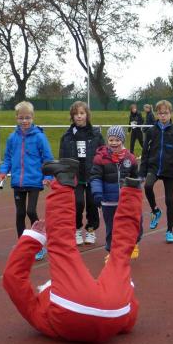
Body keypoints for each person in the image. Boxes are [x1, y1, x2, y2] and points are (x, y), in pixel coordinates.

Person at [2, 158, 140, 343]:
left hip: (113, 311)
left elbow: (130, 319)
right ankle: (64, 180)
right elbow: (12, 278)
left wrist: (124, 293)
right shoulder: (39, 313)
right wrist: (33, 238)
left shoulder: (41, 315)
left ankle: (133, 190)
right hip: (89, 307)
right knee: (62, 247)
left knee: (121, 254)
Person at [0, 101, 54, 260]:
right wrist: (4, 171)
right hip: (18, 181)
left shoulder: (39, 137)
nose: (24, 121)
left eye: (27, 118)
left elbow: (47, 158)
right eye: (21, 118)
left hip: (35, 181)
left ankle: (38, 243)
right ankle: (21, 244)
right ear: (16, 118)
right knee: (20, 213)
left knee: (31, 211)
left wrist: (48, 176)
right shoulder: (12, 138)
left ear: (33, 117)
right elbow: (8, 158)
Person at [91, 126, 143, 261]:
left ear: (123, 140)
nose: (114, 143)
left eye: (117, 140)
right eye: (111, 140)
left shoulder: (130, 158)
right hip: (109, 201)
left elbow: (136, 178)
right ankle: (112, 252)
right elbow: (95, 177)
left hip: (126, 201)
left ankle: (133, 243)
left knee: (134, 222)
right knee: (111, 228)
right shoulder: (100, 158)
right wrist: (97, 192)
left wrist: (136, 194)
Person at [139, 100, 173, 243]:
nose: (163, 116)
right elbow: (145, 152)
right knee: (148, 186)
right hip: (153, 167)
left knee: (169, 200)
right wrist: (142, 172)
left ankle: (170, 230)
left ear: (171, 114)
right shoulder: (151, 131)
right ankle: (155, 211)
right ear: (157, 114)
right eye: (160, 113)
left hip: (169, 169)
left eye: (166, 113)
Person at [59, 101, 105, 245]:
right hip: (75, 176)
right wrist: (63, 176)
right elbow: (62, 158)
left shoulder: (96, 134)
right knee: (77, 203)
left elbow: (103, 154)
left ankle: (91, 230)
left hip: (92, 175)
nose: (79, 116)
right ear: (72, 116)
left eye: (82, 113)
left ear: (87, 115)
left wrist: (102, 172)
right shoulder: (67, 137)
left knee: (92, 203)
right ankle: (77, 228)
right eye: (76, 114)